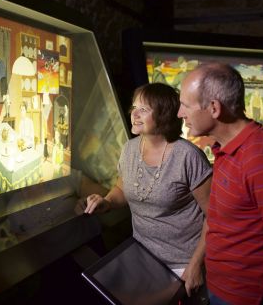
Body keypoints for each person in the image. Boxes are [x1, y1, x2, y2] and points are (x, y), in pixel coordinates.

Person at [83, 82, 212, 297]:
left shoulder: (188, 156)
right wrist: (106, 202)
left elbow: (215, 215)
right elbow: (121, 189)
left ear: (164, 114)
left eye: (144, 109)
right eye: (134, 108)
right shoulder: (129, 149)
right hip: (144, 258)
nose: (135, 114)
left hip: (183, 263)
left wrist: (196, 265)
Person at [178, 62, 263, 305]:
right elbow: (219, 218)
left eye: (185, 105)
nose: (179, 113)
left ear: (214, 108)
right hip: (221, 289)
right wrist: (197, 264)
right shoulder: (226, 149)